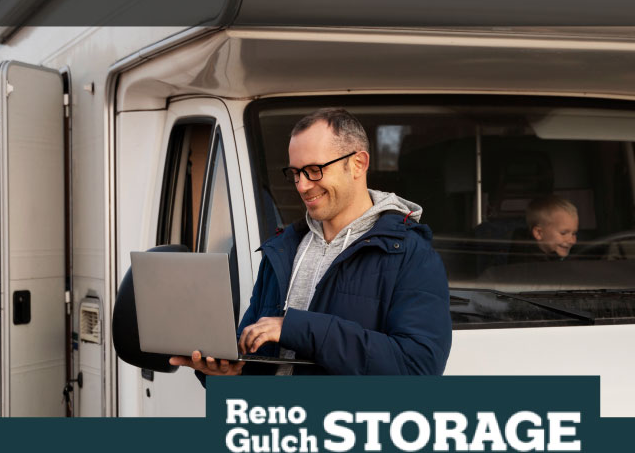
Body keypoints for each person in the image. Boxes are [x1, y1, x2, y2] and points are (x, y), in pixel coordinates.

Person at [169, 108, 452, 378]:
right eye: (295, 173)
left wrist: (297, 328)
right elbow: (251, 354)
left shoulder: (411, 255)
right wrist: (226, 372)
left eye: (314, 170)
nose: (302, 185)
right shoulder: (282, 249)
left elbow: (418, 368)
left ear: (358, 164)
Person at [510, 195, 579, 262]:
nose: (572, 241)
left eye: (574, 233)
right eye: (563, 233)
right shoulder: (527, 263)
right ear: (539, 233)